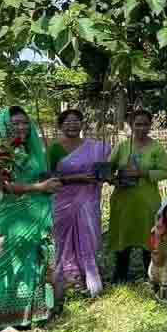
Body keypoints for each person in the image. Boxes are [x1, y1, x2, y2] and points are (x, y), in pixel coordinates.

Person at [0, 106, 63, 330]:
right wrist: (40, 186)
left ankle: (33, 313)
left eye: (25, 123)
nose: (22, 127)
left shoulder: (32, 148)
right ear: (3, 126)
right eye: (15, 123)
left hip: (37, 211)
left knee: (36, 261)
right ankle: (5, 318)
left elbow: (39, 174)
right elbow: (3, 185)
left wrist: (47, 184)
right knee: (11, 263)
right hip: (13, 214)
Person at [47, 109, 110, 302]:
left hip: (88, 200)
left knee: (88, 237)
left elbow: (104, 170)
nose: (72, 125)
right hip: (63, 201)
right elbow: (49, 178)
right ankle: (69, 279)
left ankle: (88, 277)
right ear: (61, 126)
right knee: (63, 240)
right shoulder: (54, 149)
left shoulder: (94, 147)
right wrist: (77, 178)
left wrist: (104, 174)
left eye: (76, 121)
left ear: (81, 124)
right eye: (67, 122)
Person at [108, 110, 167, 283]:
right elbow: (107, 169)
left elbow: (164, 173)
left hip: (147, 202)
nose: (141, 128)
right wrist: (113, 180)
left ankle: (150, 275)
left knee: (149, 237)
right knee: (122, 236)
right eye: (138, 124)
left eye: (145, 124)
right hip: (123, 201)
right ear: (131, 125)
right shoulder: (122, 146)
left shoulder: (156, 148)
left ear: (150, 125)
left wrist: (142, 172)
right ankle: (120, 274)